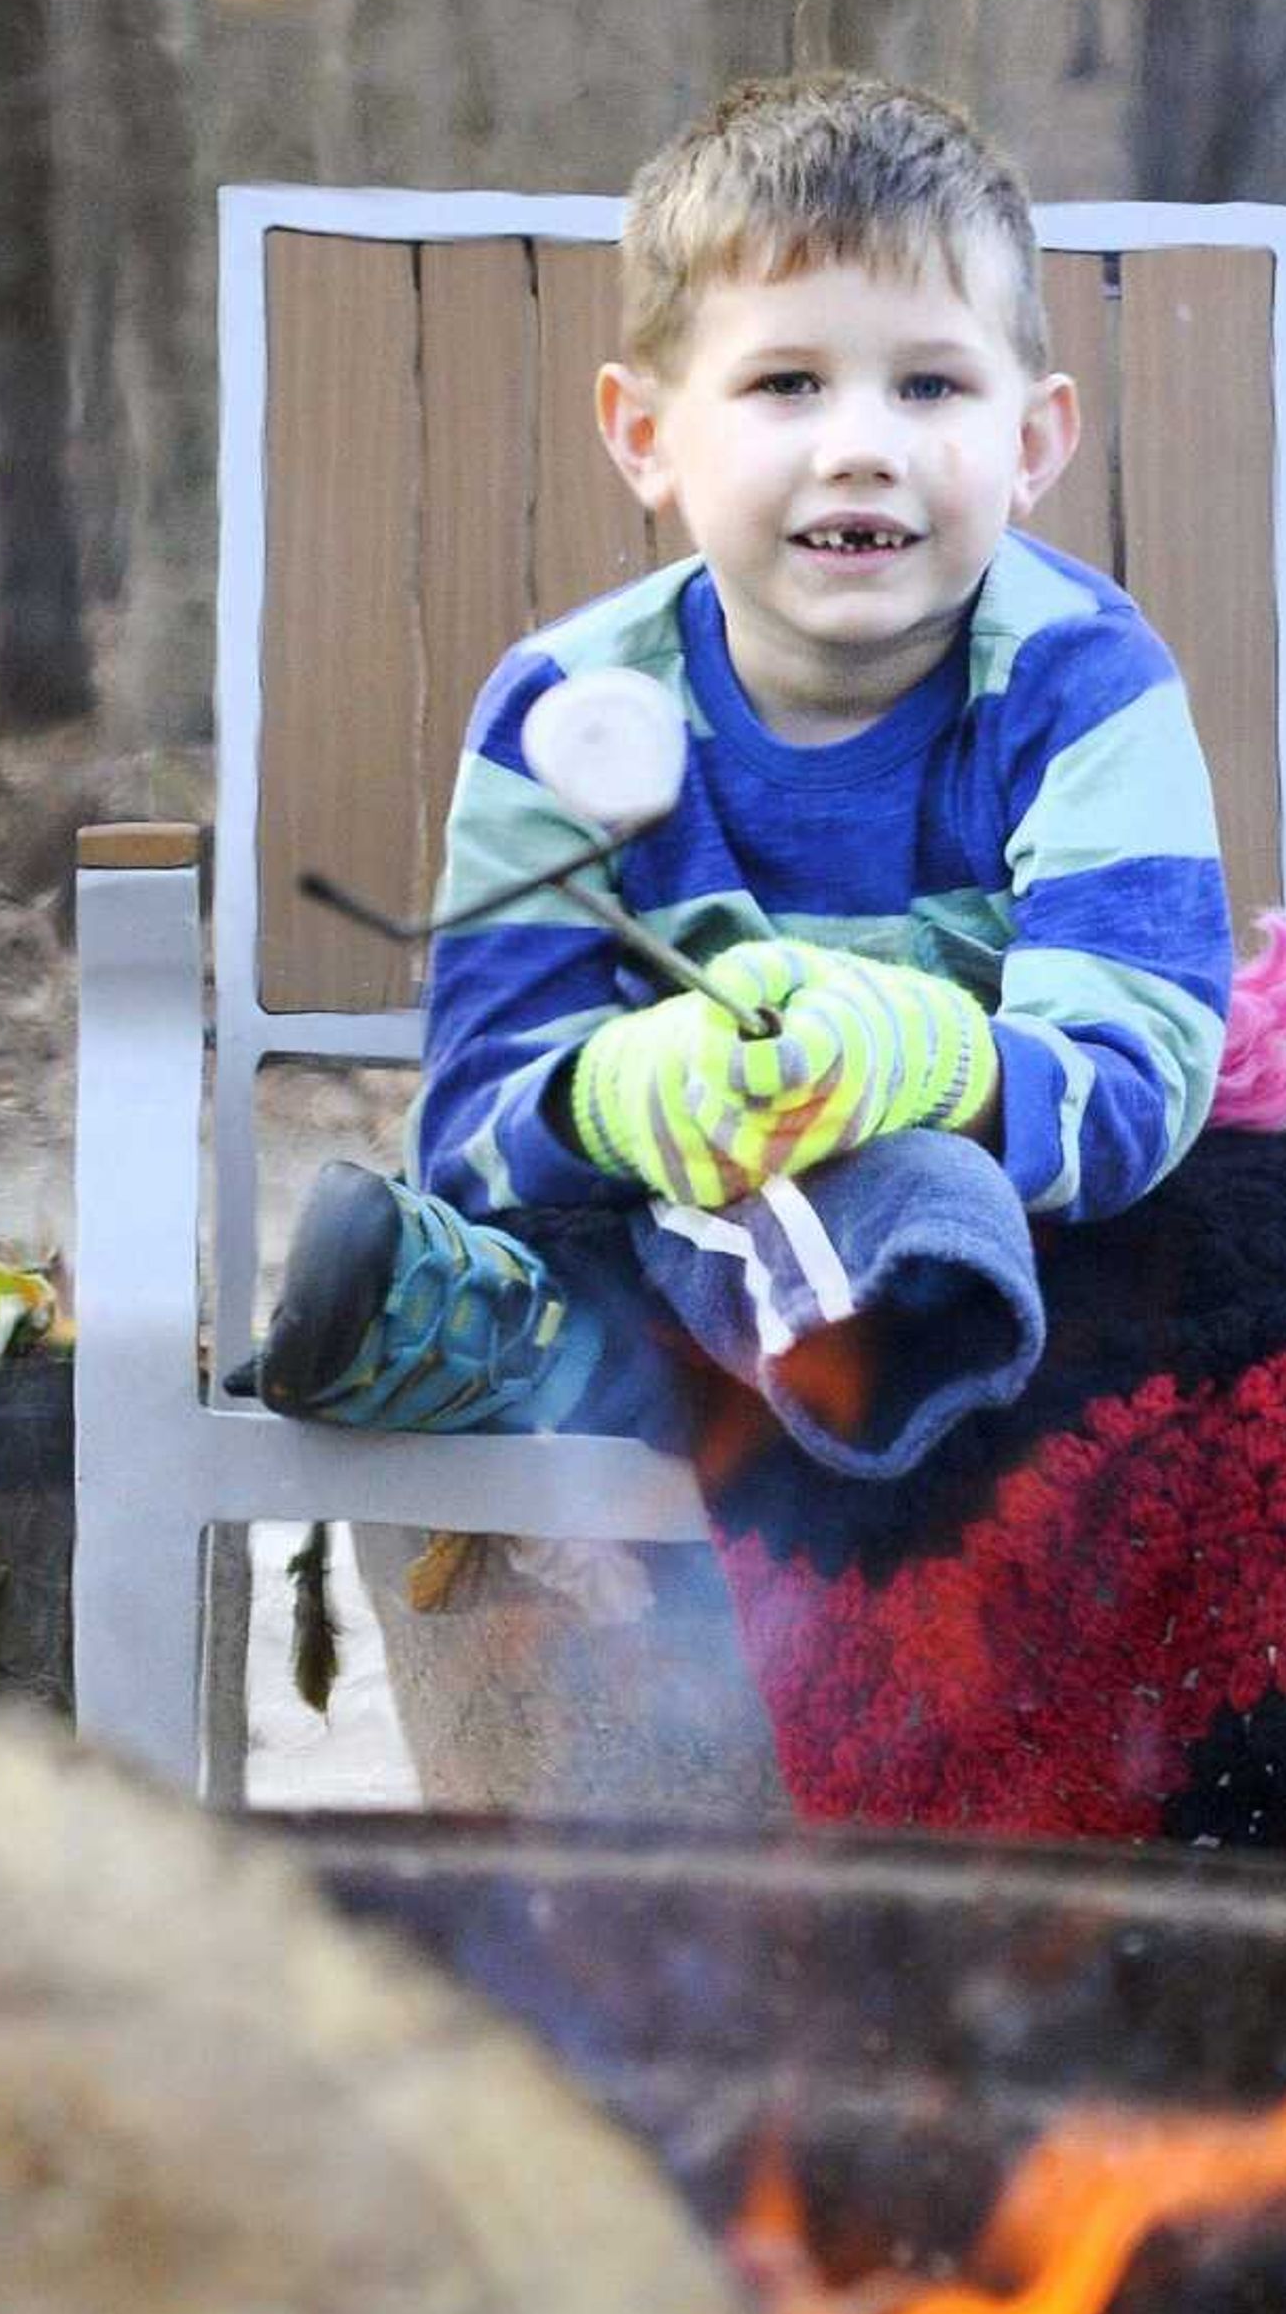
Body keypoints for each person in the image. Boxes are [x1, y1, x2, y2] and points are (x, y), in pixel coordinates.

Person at [253, 70, 1233, 1439]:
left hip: (1027, 1224)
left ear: (1033, 442)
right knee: (615, 1240)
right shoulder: (567, 713)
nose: (861, 449)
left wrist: (936, 1063)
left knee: (1008, 1217)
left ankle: (816, 1372)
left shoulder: (1080, 684)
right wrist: (619, 1095)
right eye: (786, 384)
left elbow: (1136, 1078)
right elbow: (476, 1124)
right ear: (648, 437)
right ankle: (654, 1363)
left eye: (931, 385)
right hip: (678, 1212)